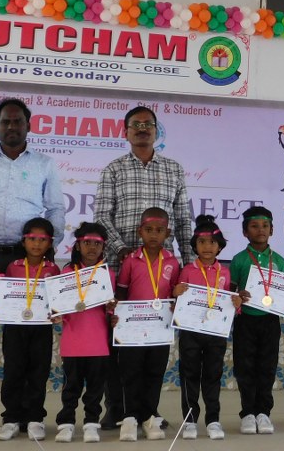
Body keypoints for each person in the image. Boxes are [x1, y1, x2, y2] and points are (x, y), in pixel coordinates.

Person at [0, 98, 64, 433]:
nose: (11, 127)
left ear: (28, 126)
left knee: (27, 339)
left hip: (29, 258)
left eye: (18, 121)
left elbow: (55, 209)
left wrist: (48, 248)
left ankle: (28, 410)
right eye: (5, 121)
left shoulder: (45, 164)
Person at [94, 105, 193, 428]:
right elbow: (101, 216)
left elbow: (183, 221)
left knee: (154, 343)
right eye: (135, 125)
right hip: (120, 267)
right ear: (125, 132)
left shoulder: (174, 169)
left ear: (156, 131)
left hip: (163, 273)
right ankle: (117, 408)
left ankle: (149, 410)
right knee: (118, 341)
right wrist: (121, 249)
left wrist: (189, 267)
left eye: (148, 124)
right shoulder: (113, 169)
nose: (142, 129)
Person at [115, 208, 181, 442]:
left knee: (154, 372)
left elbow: (175, 295)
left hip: (160, 329)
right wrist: (117, 318)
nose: (154, 234)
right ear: (139, 231)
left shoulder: (172, 262)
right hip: (132, 329)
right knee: (131, 372)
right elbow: (121, 293)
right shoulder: (130, 261)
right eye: (149, 230)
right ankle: (130, 417)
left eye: (159, 230)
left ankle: (149, 416)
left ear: (167, 233)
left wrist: (176, 303)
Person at [0, 219, 61, 442]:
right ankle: (11, 419)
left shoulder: (53, 269)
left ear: (49, 243)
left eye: (42, 240)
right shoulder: (13, 267)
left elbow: (57, 299)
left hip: (41, 328)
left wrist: (57, 311)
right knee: (13, 371)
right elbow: (4, 295)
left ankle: (35, 418)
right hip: (15, 328)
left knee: (38, 372)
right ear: (23, 241)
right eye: (32, 239)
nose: (37, 244)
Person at [173, 215, 239, 441]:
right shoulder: (187, 270)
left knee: (213, 376)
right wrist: (176, 292)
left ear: (220, 246)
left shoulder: (225, 272)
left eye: (212, 242)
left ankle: (213, 420)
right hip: (190, 332)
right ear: (195, 245)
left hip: (215, 333)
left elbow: (227, 302)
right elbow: (178, 298)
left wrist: (236, 303)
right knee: (189, 375)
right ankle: (189, 420)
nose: (207, 247)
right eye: (202, 242)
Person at [229, 206, 284, 436]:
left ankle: (263, 412)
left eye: (265, 226)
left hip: (270, 320)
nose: (260, 230)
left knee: (267, 367)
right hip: (246, 321)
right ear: (245, 232)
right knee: (245, 367)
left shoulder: (279, 261)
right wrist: (237, 296)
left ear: (272, 230)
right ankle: (248, 413)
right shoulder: (238, 260)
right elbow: (230, 292)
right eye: (254, 226)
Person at [54, 223, 113, 443]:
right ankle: (66, 423)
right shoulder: (67, 273)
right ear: (77, 245)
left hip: (98, 344)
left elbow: (112, 310)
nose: (92, 247)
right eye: (87, 242)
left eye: (97, 243)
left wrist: (112, 310)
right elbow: (59, 305)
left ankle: (91, 423)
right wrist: (56, 313)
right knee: (71, 387)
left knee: (95, 390)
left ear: (103, 247)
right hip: (73, 343)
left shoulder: (108, 274)